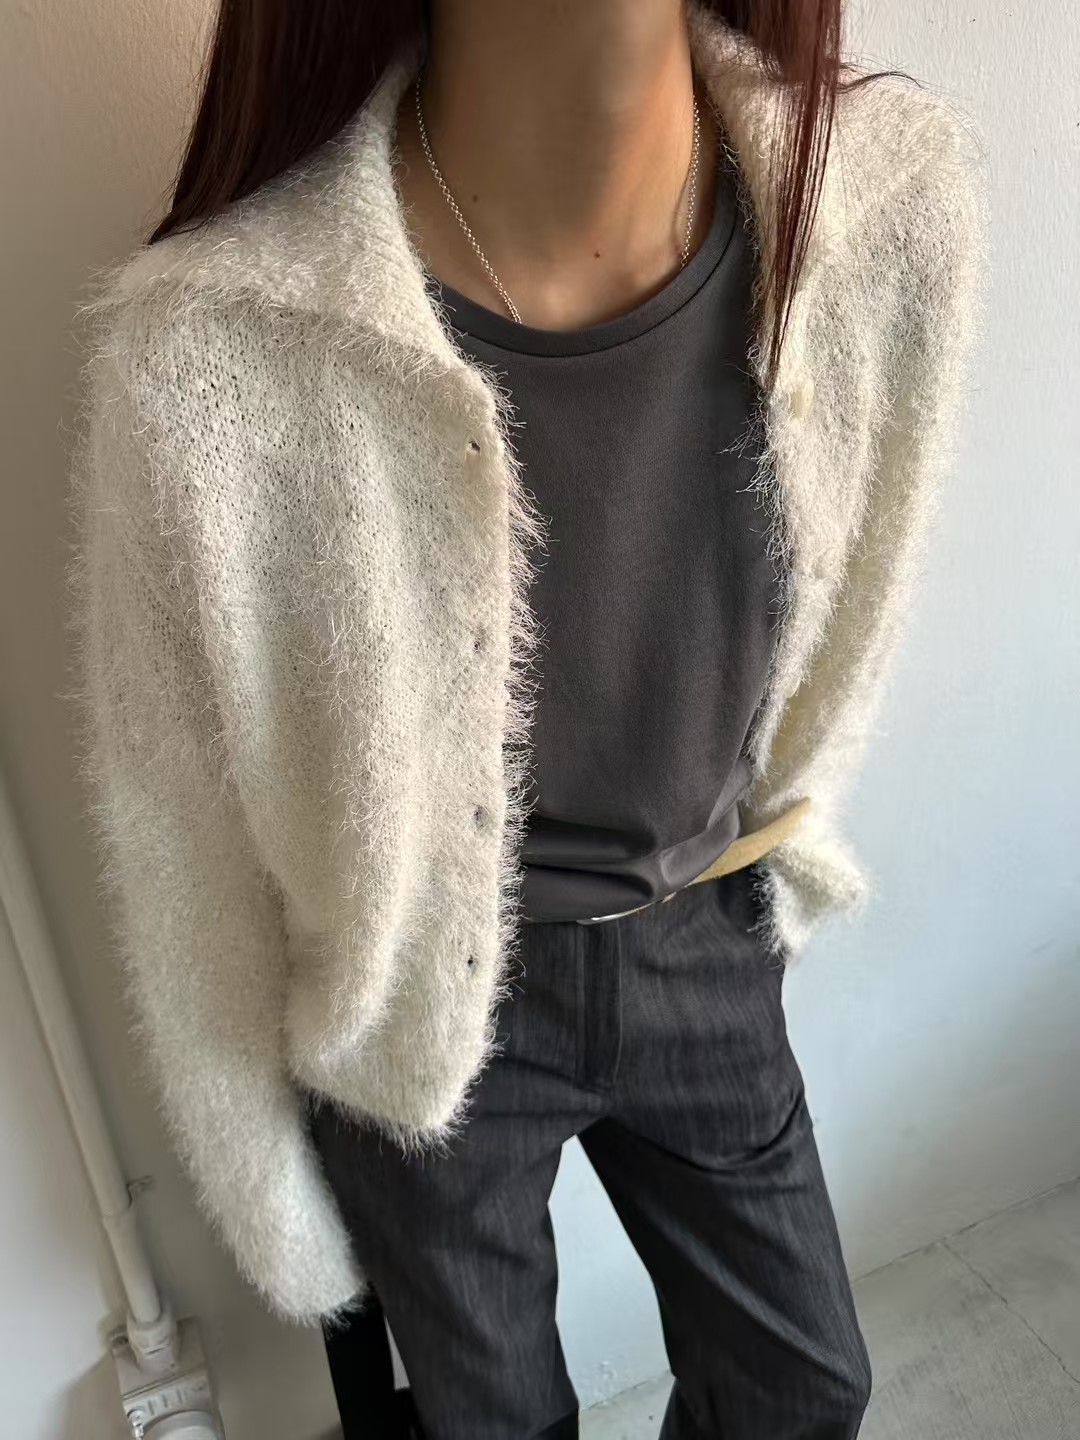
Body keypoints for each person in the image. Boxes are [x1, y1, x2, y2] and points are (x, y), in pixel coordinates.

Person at [68, 1, 986, 1436]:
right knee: (485, 1418)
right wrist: (261, 1173)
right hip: (423, 1013)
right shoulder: (217, 354)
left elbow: (861, 590)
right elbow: (178, 826)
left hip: (701, 930)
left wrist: (776, 877)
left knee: (804, 1386)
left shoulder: (879, 212)